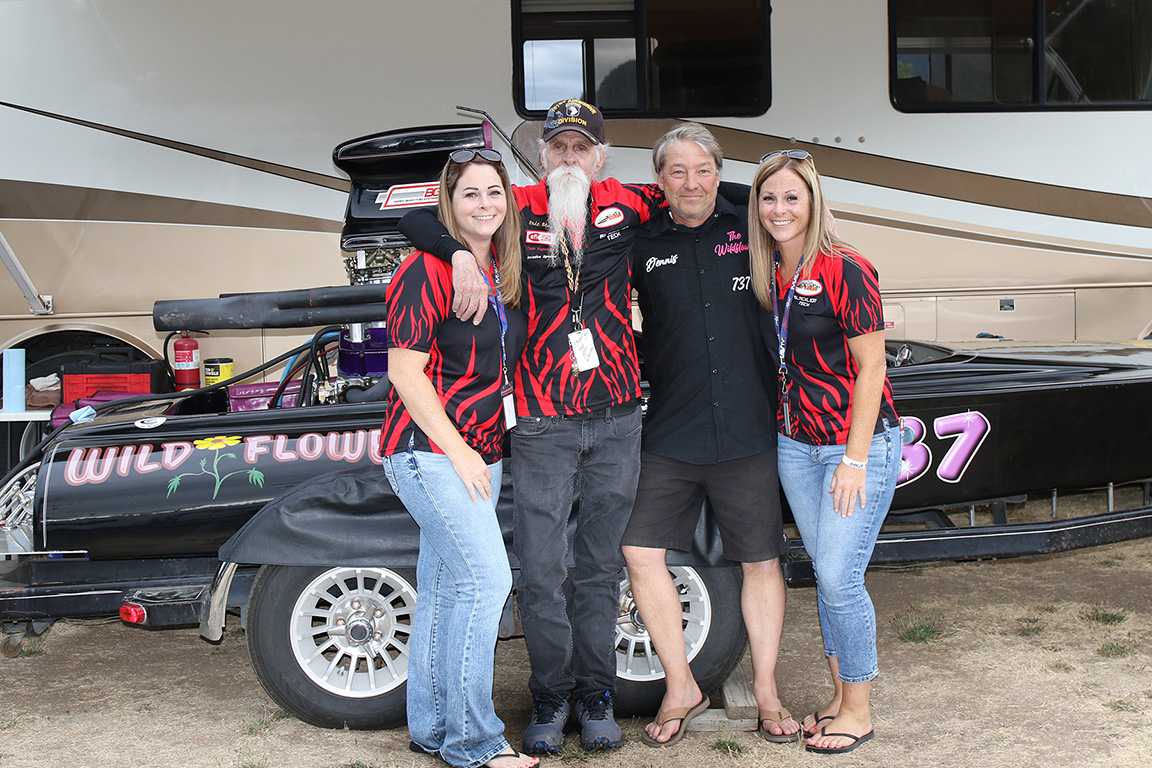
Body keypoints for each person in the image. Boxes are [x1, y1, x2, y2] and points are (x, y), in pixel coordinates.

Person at [399, 99, 664, 754]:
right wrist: (457, 254)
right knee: (541, 569)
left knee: (598, 566)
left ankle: (596, 694)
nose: (569, 158)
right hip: (542, 421)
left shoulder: (629, 203)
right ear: (541, 156)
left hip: (618, 415)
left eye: (581, 147)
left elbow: (706, 196)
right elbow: (413, 216)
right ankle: (549, 697)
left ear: (600, 156)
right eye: (558, 148)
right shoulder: (515, 205)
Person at [621, 123, 800, 748]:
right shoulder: (641, 241)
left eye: (703, 170)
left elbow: (794, 206)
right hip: (669, 428)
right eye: (677, 171)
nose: (691, 182)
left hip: (750, 429)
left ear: (719, 175)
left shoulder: (752, 226)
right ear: (660, 180)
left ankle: (770, 692)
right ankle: (681, 686)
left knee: (761, 560)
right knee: (640, 553)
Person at [380, 148, 535, 768]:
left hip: (478, 450)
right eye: (470, 194)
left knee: (444, 588)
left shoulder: (500, 267)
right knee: (486, 580)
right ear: (450, 202)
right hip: (431, 452)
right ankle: (476, 742)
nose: (485, 205)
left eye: (494, 192)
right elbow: (405, 373)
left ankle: (434, 728)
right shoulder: (426, 269)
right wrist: (462, 451)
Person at [748, 149, 902, 755]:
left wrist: (855, 459)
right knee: (830, 575)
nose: (779, 209)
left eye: (792, 196)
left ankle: (858, 708)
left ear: (813, 201)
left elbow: (871, 369)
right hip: (796, 445)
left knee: (839, 578)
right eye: (768, 197)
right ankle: (839, 696)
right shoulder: (772, 272)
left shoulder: (848, 266)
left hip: (853, 445)